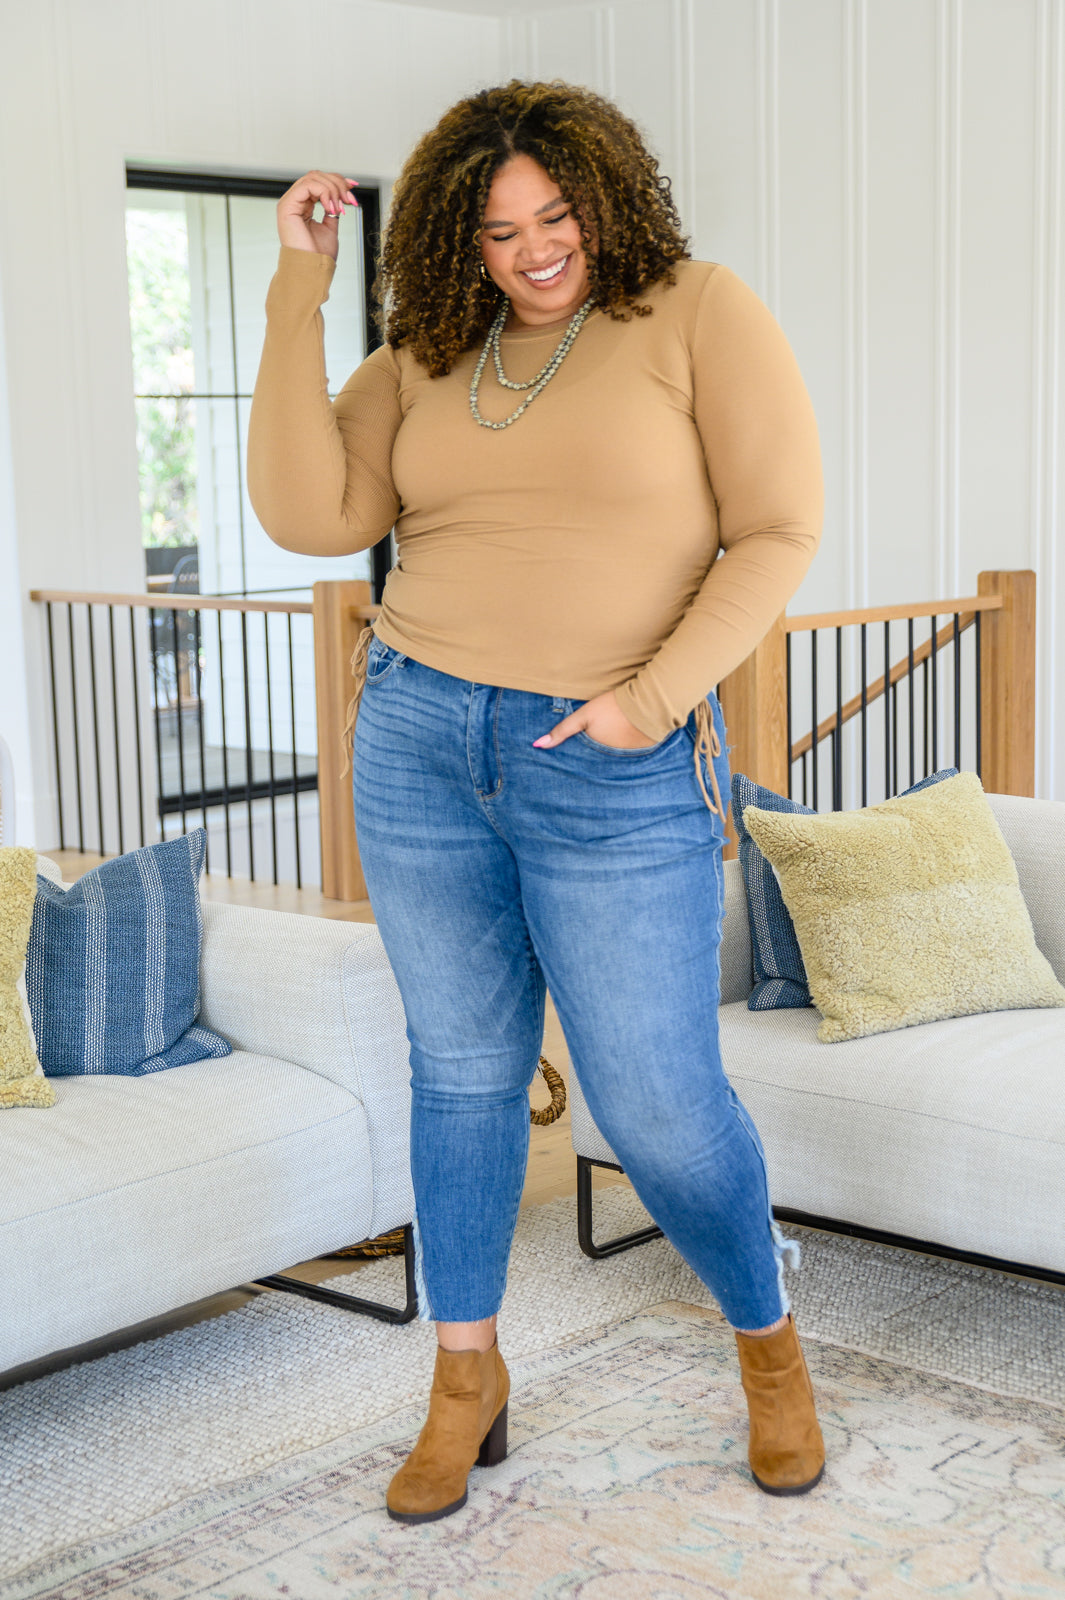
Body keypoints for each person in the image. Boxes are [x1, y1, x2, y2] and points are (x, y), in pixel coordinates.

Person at [248, 79, 825, 1522]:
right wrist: (298, 292)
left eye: (555, 216)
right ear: (459, 238)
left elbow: (776, 529)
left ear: (603, 198)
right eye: (498, 231)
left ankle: (766, 1344)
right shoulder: (420, 356)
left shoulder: (696, 312)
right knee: (459, 1070)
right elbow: (309, 515)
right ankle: (465, 1378)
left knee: (655, 1097)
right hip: (419, 740)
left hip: (616, 757)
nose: (533, 251)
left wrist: (651, 699)